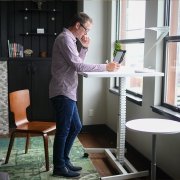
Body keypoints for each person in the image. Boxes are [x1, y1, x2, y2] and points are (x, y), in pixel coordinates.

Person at [49, 12, 120, 178]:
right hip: (62, 91)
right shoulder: (65, 39)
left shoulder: (70, 40)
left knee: (76, 126)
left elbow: (76, 64)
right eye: (86, 30)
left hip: (68, 91)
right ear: (77, 25)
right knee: (64, 130)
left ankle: (64, 160)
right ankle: (59, 166)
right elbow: (79, 67)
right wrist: (105, 67)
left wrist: (85, 48)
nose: (86, 34)